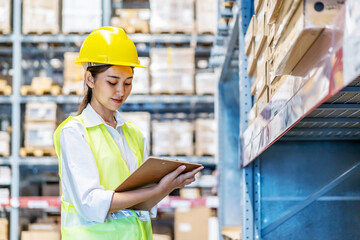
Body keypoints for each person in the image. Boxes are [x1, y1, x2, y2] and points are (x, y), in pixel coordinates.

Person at [53, 27, 203, 240]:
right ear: (90, 79)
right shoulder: (74, 133)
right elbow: (91, 204)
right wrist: (156, 190)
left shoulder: (131, 132)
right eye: (112, 82)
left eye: (128, 83)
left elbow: (139, 201)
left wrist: (167, 184)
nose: (121, 92)